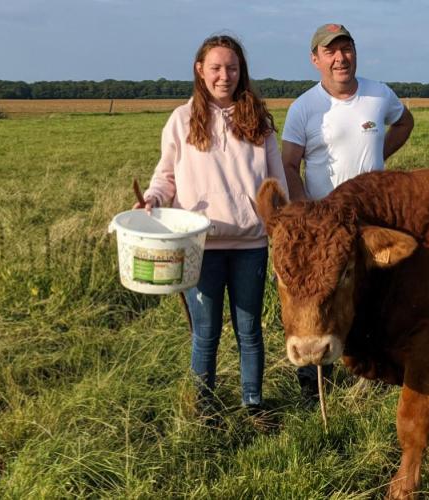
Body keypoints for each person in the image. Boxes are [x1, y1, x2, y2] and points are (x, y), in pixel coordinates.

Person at [136, 34, 287, 420]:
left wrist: (281, 231)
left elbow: (277, 186)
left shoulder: (260, 121)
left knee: (250, 330)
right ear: (200, 71)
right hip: (199, 246)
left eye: (232, 68)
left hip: (251, 244)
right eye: (217, 68)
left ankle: (253, 405)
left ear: (242, 72)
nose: (225, 76)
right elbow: (165, 176)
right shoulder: (181, 120)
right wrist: (152, 200)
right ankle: (204, 407)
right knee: (206, 333)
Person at [280, 23, 415, 402]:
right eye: (330, 52)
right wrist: (308, 211)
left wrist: (380, 157)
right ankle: (313, 385)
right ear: (316, 60)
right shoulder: (304, 107)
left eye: (346, 49)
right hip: (327, 232)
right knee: (316, 300)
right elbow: (289, 163)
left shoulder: (378, 95)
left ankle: (375, 373)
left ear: (355, 52)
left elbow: (405, 122)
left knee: (374, 298)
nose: (340, 58)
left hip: (371, 222)